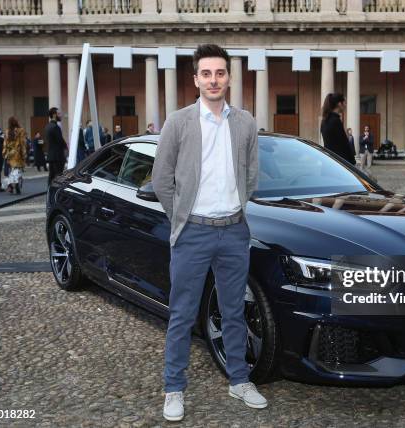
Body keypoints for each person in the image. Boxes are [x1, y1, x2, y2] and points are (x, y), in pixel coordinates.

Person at [152, 44, 266, 422]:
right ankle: (173, 388)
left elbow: (250, 174)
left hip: (233, 231)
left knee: (233, 311)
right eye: (206, 73)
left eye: (220, 73)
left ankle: (239, 379)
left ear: (229, 77)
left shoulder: (246, 122)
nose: (213, 80)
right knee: (182, 315)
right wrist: (181, 217)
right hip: (193, 233)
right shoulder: (179, 122)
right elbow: (160, 179)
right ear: (196, 79)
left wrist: (236, 206)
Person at [320, 93, 355, 165]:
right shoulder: (335, 121)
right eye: (344, 102)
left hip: (329, 161)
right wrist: (352, 162)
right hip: (338, 164)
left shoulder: (325, 120)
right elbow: (344, 144)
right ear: (339, 104)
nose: (345, 105)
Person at [2, 116, 27, 195]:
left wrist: (4, 153)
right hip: (17, 154)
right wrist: (24, 154)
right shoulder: (21, 130)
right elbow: (22, 143)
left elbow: (5, 143)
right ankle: (16, 186)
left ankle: (10, 185)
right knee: (16, 171)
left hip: (9, 154)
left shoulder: (7, 131)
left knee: (10, 171)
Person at [44, 107, 67, 185]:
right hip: (58, 157)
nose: (61, 116)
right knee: (58, 176)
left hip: (51, 156)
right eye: (59, 114)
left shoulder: (47, 126)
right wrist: (66, 147)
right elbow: (60, 141)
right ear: (54, 115)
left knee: (51, 176)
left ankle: (49, 192)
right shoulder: (55, 127)